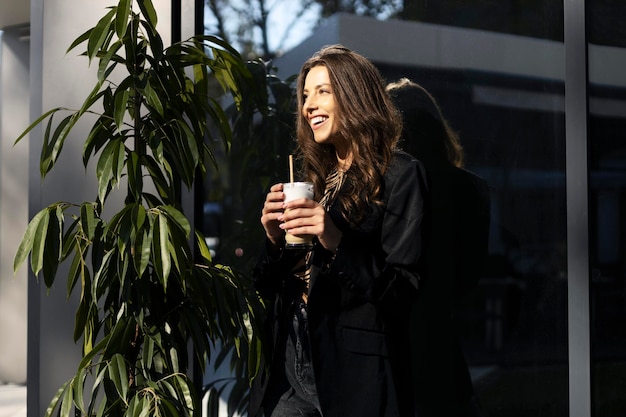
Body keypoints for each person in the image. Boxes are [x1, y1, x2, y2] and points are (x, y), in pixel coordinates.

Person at [248, 46, 428, 417]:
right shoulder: (319, 179)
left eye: (322, 91)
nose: (308, 105)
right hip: (290, 355)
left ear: (355, 94)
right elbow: (264, 288)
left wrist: (334, 239)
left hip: (353, 368)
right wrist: (272, 241)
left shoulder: (400, 174)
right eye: (304, 95)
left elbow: (405, 293)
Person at [387, 78, 491, 417]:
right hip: (444, 363)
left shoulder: (378, 186)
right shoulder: (471, 189)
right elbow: (468, 279)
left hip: (385, 358)